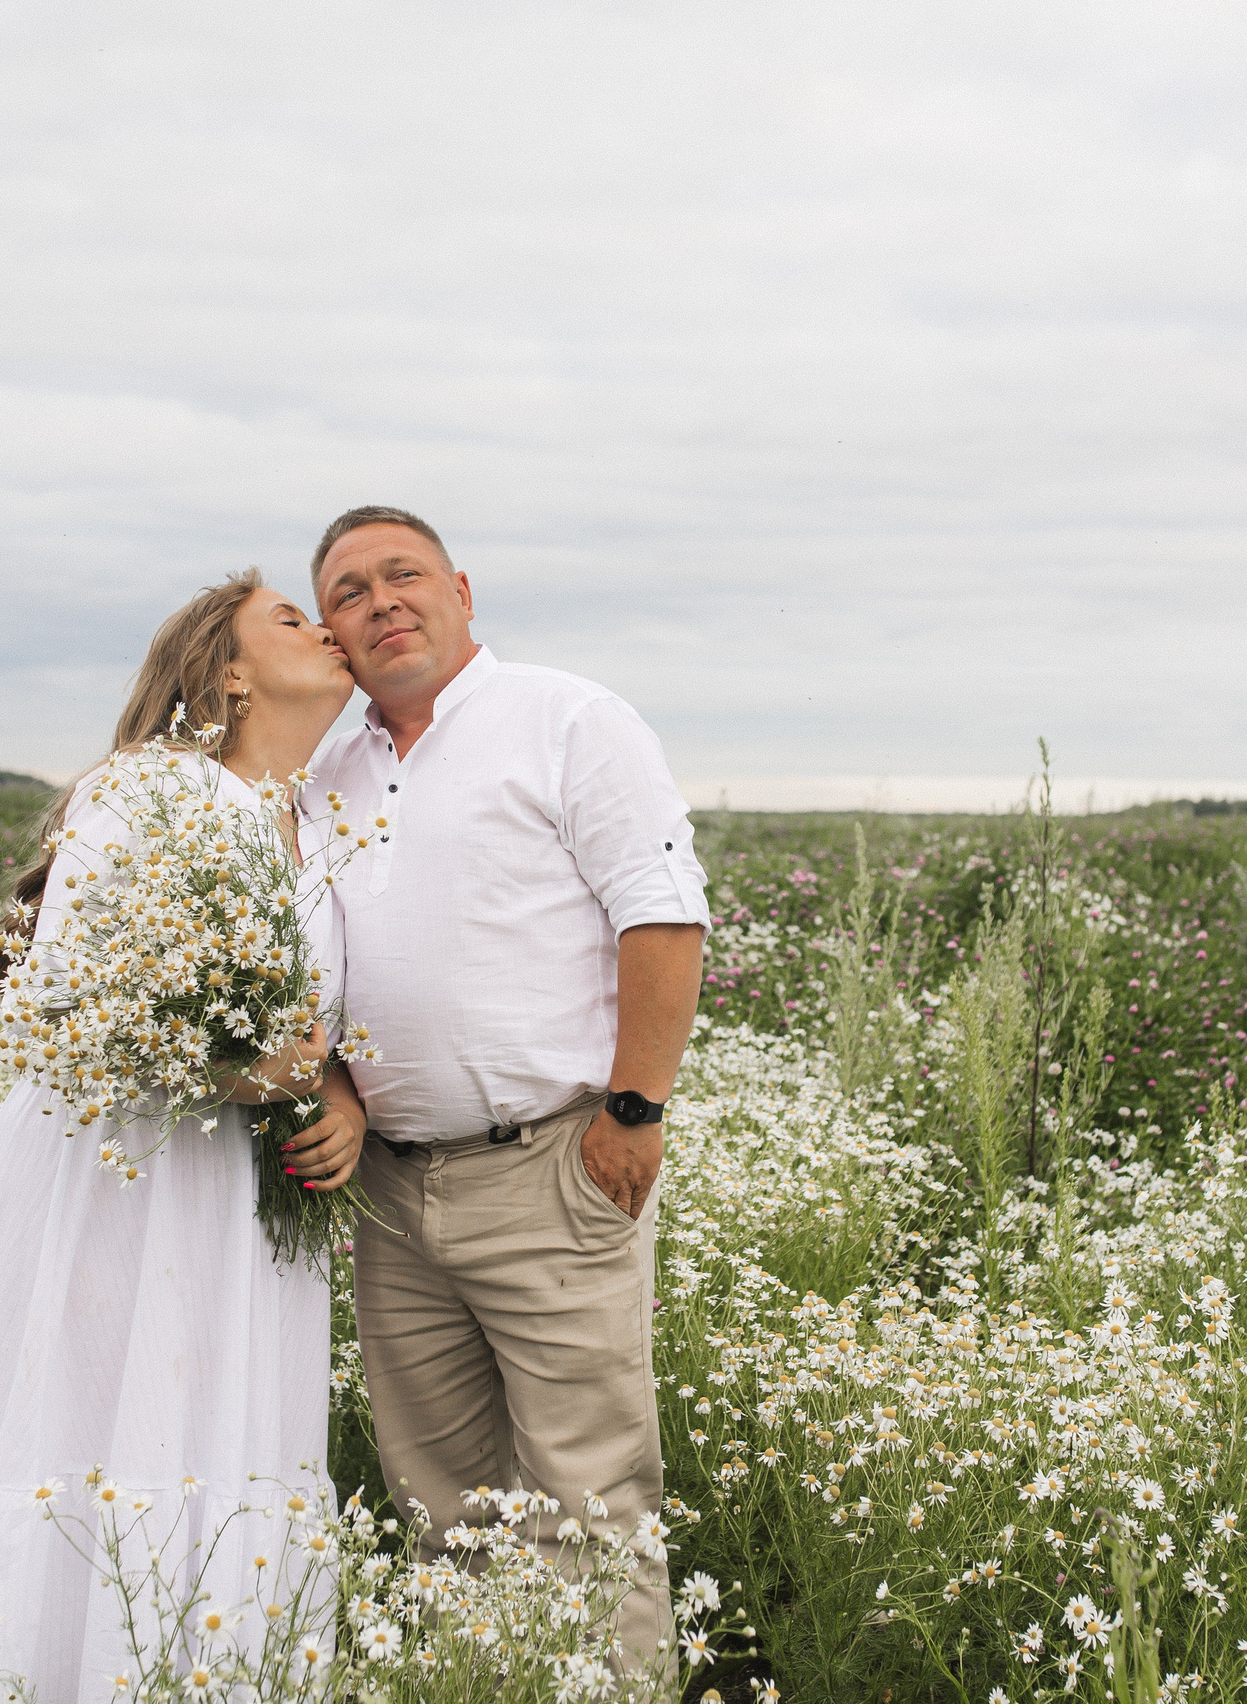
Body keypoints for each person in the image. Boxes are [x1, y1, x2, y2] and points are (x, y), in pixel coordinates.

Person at [0, 569, 370, 1700]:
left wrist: (338, 1097)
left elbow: (332, 1022)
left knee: (220, 1451)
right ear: (230, 674)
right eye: (291, 618)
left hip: (242, 1206)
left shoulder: (328, 821)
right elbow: (63, 1003)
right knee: (94, 1434)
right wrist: (240, 1070)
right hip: (118, 1182)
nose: (325, 627)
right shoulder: (147, 790)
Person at [309, 506, 708, 1687]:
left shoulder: (567, 718)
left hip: (552, 1165)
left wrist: (633, 1111)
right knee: (443, 1506)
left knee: (588, 1498)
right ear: (330, 633)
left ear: (462, 591)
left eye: (403, 573)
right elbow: (317, 966)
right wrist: (339, 1090)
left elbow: (662, 913)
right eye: (347, 592)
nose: (381, 601)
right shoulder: (326, 770)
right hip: (393, 1192)